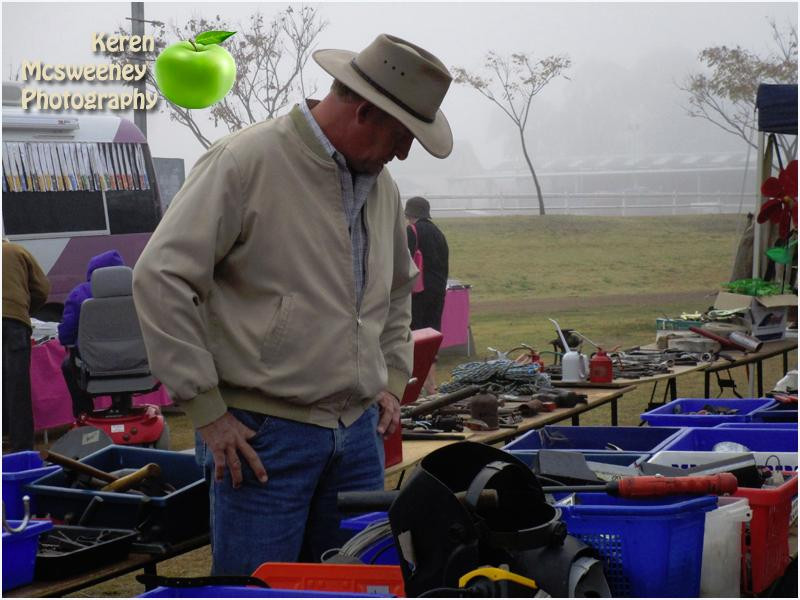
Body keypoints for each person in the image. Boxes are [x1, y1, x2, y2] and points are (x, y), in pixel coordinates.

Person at [132, 33, 453, 575]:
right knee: (260, 589)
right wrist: (208, 413)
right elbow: (162, 277)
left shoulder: (383, 187)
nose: (402, 153)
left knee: (351, 586)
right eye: (401, 136)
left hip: (357, 436)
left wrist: (392, 378)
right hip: (260, 438)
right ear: (364, 112)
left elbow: (398, 288)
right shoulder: (244, 162)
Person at [58, 249, 126, 417]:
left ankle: (83, 411)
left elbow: (66, 334)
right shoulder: (136, 290)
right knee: (126, 365)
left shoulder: (79, 294)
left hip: (93, 363)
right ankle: (124, 404)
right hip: (134, 361)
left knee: (68, 365)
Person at [2, 239, 50, 451]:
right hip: (15, 324)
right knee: (17, 388)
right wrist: (24, 311)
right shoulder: (17, 251)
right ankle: (22, 449)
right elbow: (42, 289)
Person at [405, 196, 450, 395]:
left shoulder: (411, 231)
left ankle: (416, 383)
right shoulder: (439, 233)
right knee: (432, 335)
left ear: (410, 214)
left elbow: (404, 262)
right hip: (438, 291)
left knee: (414, 335)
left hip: (418, 293)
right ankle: (431, 383)